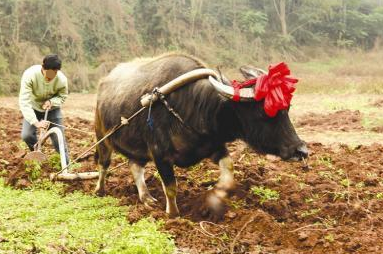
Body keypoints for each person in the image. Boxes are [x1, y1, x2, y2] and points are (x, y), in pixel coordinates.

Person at [19, 54, 70, 164]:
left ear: (57, 71)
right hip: (33, 108)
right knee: (26, 135)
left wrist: (52, 101)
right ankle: (37, 156)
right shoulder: (30, 75)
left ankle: (66, 166)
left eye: (53, 75)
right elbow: (24, 101)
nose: (49, 79)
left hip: (52, 110)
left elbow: (63, 96)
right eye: (47, 76)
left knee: (58, 139)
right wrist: (35, 122)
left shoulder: (61, 79)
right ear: (43, 67)